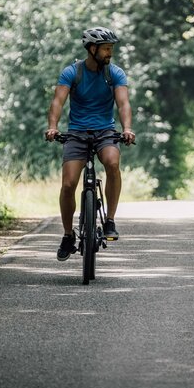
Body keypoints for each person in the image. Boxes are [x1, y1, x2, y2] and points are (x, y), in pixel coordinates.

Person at [45, 26, 135, 261]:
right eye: (106, 49)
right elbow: (58, 102)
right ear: (92, 49)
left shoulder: (114, 73)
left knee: (112, 163)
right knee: (68, 185)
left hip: (105, 131)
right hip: (76, 133)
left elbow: (123, 103)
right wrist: (53, 127)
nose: (110, 53)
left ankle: (110, 221)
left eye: (111, 49)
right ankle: (67, 235)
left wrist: (126, 129)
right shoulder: (71, 72)